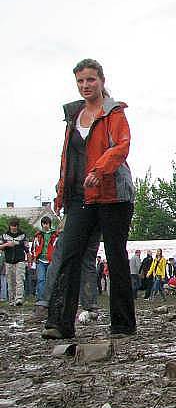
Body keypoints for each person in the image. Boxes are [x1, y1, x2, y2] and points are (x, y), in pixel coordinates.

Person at [42, 58, 135, 339]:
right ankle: (59, 323)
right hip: (81, 196)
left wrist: (100, 169)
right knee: (69, 254)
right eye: (81, 81)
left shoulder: (114, 113)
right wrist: (61, 191)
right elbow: (67, 159)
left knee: (116, 256)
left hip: (113, 194)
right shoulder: (74, 117)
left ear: (102, 81)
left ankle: (122, 324)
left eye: (91, 80)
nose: (85, 86)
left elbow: (122, 146)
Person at [0, 217, 28, 306]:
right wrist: (7, 244)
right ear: (9, 226)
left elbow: (27, 248)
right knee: (10, 281)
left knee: (19, 280)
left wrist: (30, 258)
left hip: (20, 260)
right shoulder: (4, 235)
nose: (13, 227)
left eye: (15, 226)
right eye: (12, 226)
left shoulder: (23, 235)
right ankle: (11, 300)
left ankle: (19, 299)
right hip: (8, 261)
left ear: (18, 226)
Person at [31, 216, 58, 305]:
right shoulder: (38, 235)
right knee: (41, 279)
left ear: (50, 224)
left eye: (47, 223)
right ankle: (41, 298)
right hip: (41, 260)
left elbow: (57, 247)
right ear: (42, 224)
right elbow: (34, 248)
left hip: (51, 260)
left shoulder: (55, 235)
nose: (45, 225)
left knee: (51, 280)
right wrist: (35, 258)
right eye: (44, 223)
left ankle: (50, 297)